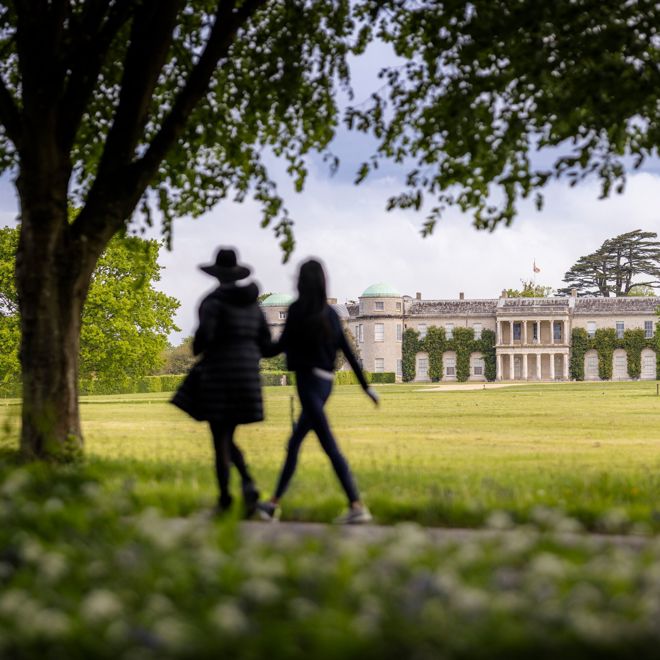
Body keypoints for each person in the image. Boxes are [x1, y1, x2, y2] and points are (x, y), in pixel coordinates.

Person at [258, 258, 379, 524]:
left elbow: (275, 349)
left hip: (308, 383)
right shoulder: (330, 314)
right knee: (294, 443)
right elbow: (347, 351)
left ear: (300, 281)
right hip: (325, 383)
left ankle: (357, 505)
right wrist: (366, 388)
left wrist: (256, 334)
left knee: (328, 444)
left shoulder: (298, 311)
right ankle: (272, 503)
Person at [171, 247, 271, 517]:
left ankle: (226, 498)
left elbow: (203, 341)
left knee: (220, 438)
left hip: (220, 374)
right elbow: (266, 344)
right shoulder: (253, 305)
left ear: (216, 274)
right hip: (247, 374)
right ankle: (248, 487)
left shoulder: (212, 302)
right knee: (227, 435)